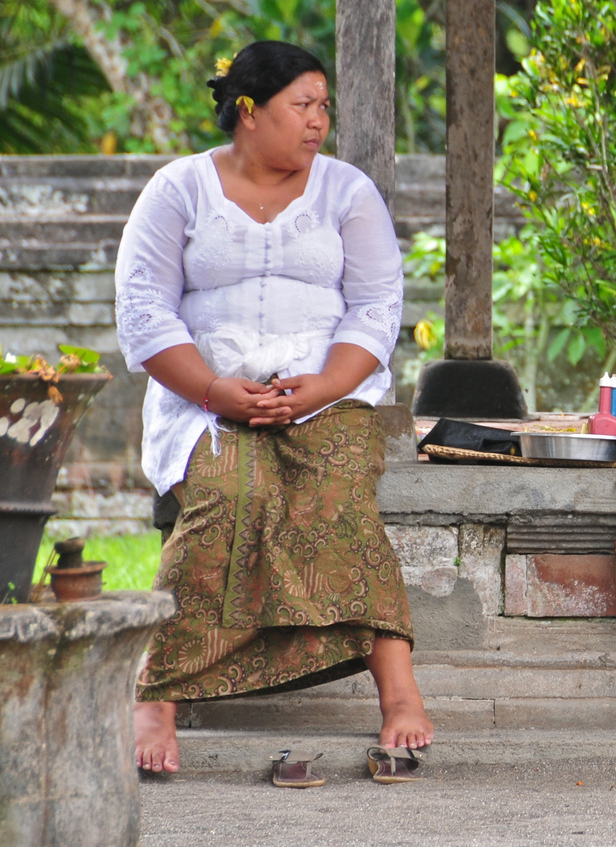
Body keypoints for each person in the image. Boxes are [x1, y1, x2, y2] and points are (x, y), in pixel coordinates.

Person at [117, 41, 432, 782]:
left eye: (324, 106)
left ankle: (401, 692)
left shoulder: (348, 192)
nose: (320, 121)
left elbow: (378, 308)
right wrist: (211, 389)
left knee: (339, 500)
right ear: (250, 112)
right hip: (206, 400)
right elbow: (143, 310)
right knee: (227, 496)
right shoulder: (178, 189)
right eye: (304, 105)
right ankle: (155, 696)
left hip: (327, 397)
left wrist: (322, 387)